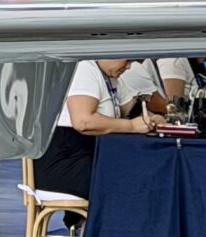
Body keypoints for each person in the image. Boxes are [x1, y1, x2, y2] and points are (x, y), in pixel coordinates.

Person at [34, 58, 166, 200]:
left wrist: (153, 119)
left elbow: (132, 109)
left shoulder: (111, 78)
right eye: (127, 60)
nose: (129, 66)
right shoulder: (84, 68)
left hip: (87, 158)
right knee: (138, 181)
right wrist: (132, 126)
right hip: (63, 163)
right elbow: (83, 122)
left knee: (146, 173)